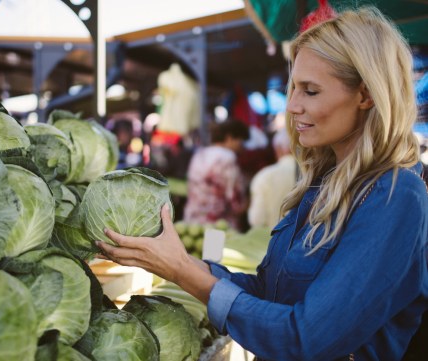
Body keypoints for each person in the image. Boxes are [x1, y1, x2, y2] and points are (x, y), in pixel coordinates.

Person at [96, 7, 428, 360]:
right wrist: (182, 263)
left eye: (310, 91)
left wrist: (182, 271)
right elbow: (269, 295)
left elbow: (305, 337)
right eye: (293, 88)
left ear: (366, 95)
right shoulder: (322, 185)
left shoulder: (395, 196)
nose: (292, 106)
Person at [182, 118, 250, 230]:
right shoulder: (227, 158)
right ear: (229, 138)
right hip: (217, 227)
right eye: (240, 141)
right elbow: (236, 203)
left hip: (192, 223)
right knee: (213, 248)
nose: (242, 146)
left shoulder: (199, 154)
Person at [248, 127, 297, 228]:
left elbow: (256, 220)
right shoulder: (316, 175)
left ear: (278, 148)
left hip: (269, 240)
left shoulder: (264, 176)